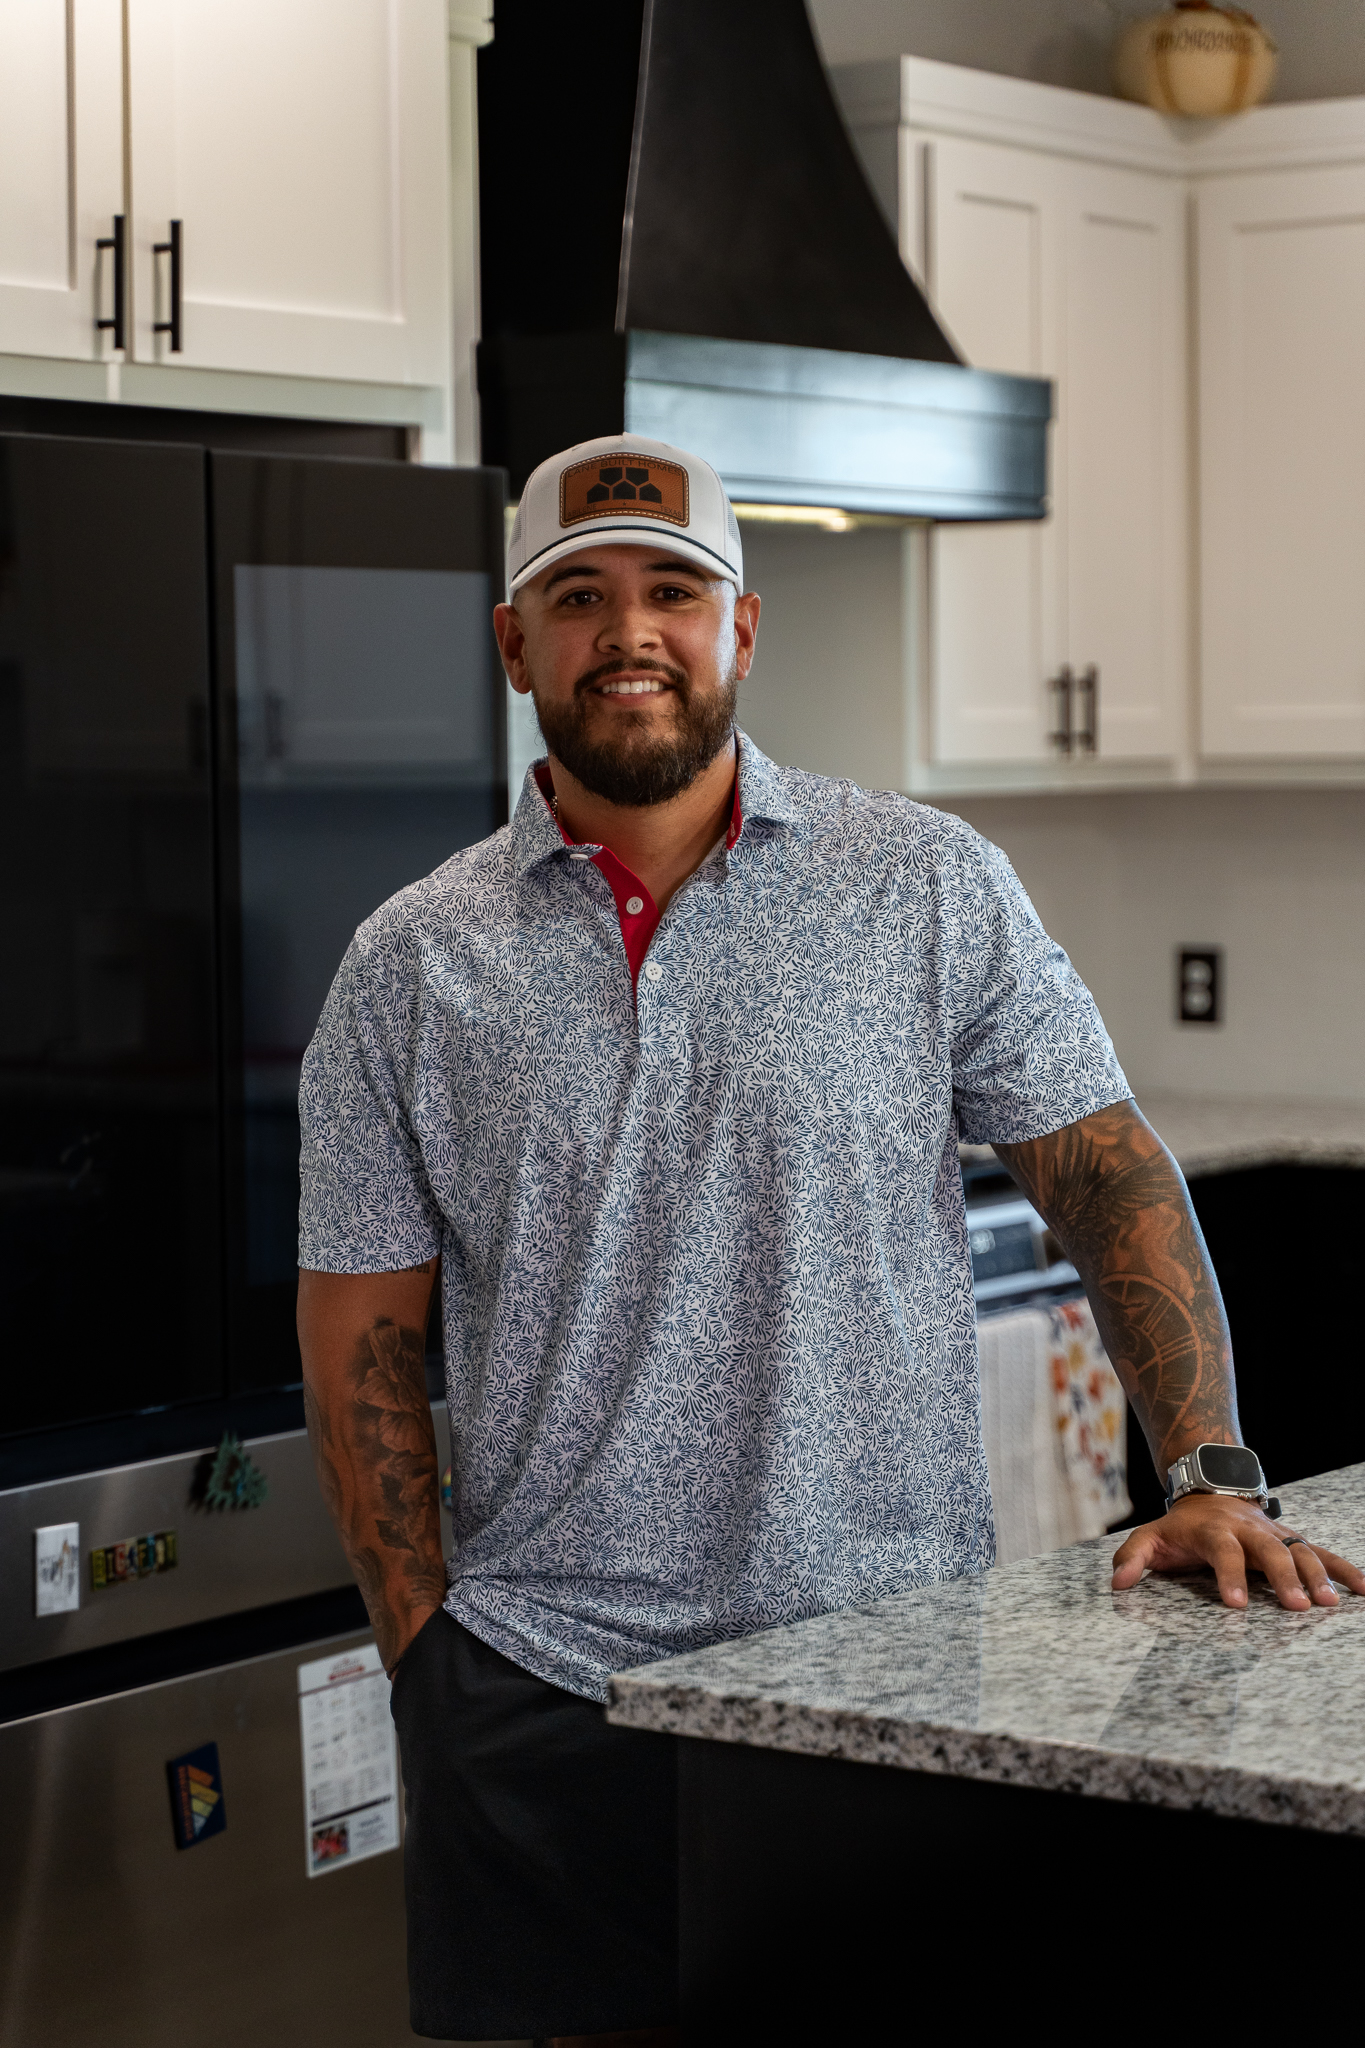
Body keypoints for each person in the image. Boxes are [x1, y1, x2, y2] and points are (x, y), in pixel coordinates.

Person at [297, 433, 1363, 2047]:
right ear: (513, 644)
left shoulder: (921, 886)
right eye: (577, 598)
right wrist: (426, 1656)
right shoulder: (408, 965)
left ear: (741, 628)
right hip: (538, 1686)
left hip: (881, 1670)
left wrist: (1208, 1471)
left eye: (674, 590)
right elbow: (360, 1332)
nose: (629, 631)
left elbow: (1105, 1175)